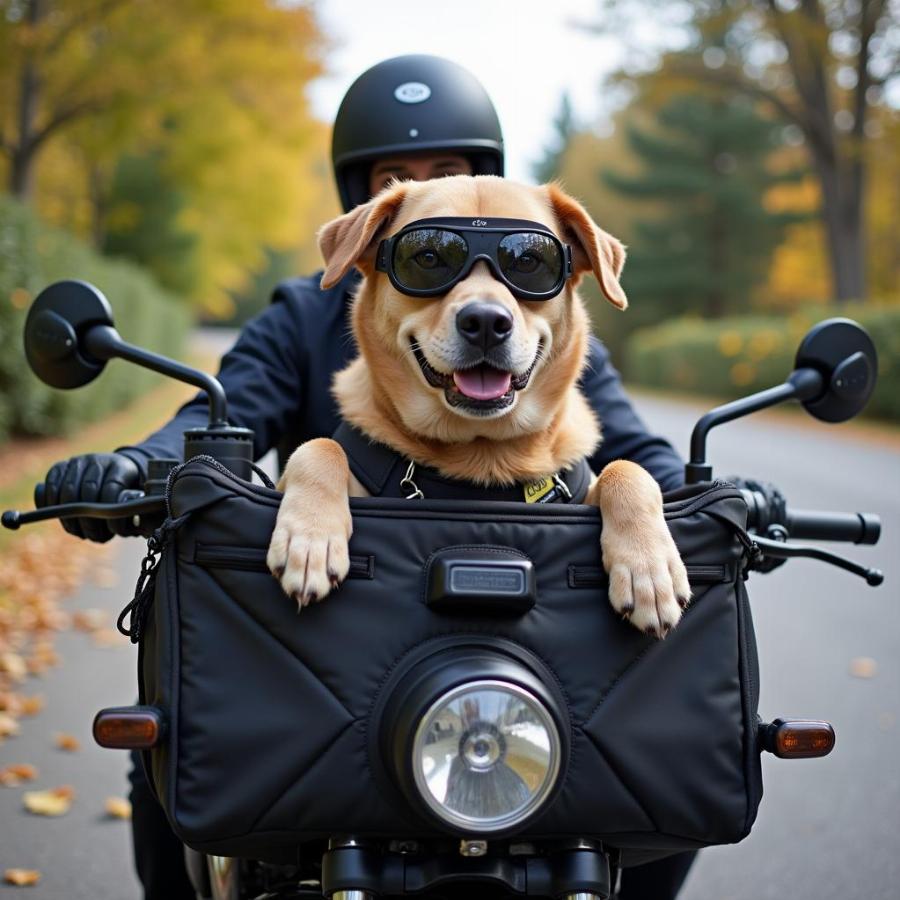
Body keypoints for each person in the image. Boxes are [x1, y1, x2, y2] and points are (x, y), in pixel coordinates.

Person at [38, 55, 696, 900]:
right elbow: (219, 413)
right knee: (174, 746)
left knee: (674, 750)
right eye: (399, 184)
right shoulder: (309, 311)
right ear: (366, 214)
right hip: (342, 650)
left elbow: (640, 449)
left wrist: (666, 496)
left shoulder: (550, 334)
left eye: (451, 177)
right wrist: (135, 467)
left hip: (532, 656)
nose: (482, 303)